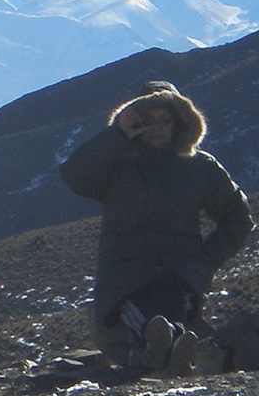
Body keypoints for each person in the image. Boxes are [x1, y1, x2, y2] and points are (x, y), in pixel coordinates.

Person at [59, 81, 254, 375]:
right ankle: (172, 346)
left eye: (165, 120)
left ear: (180, 122)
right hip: (124, 276)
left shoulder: (200, 167)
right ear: (134, 122)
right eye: (146, 121)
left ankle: (163, 347)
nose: (157, 128)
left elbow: (238, 217)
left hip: (181, 271)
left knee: (170, 296)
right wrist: (117, 135)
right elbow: (73, 175)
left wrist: (204, 261)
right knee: (140, 306)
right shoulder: (116, 165)